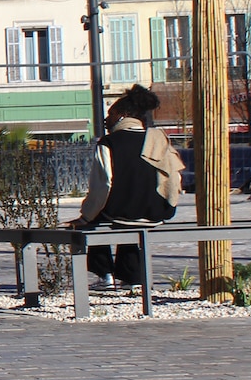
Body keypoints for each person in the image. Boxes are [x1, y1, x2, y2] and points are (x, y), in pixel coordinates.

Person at [70, 84, 183, 290]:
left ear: (122, 115)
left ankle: (104, 274)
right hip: (156, 212)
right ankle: (132, 277)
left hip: (119, 212)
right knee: (133, 221)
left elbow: (103, 185)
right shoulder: (159, 139)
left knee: (93, 220)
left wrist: (86, 215)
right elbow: (173, 178)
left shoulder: (109, 142)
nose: (107, 119)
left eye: (111, 113)